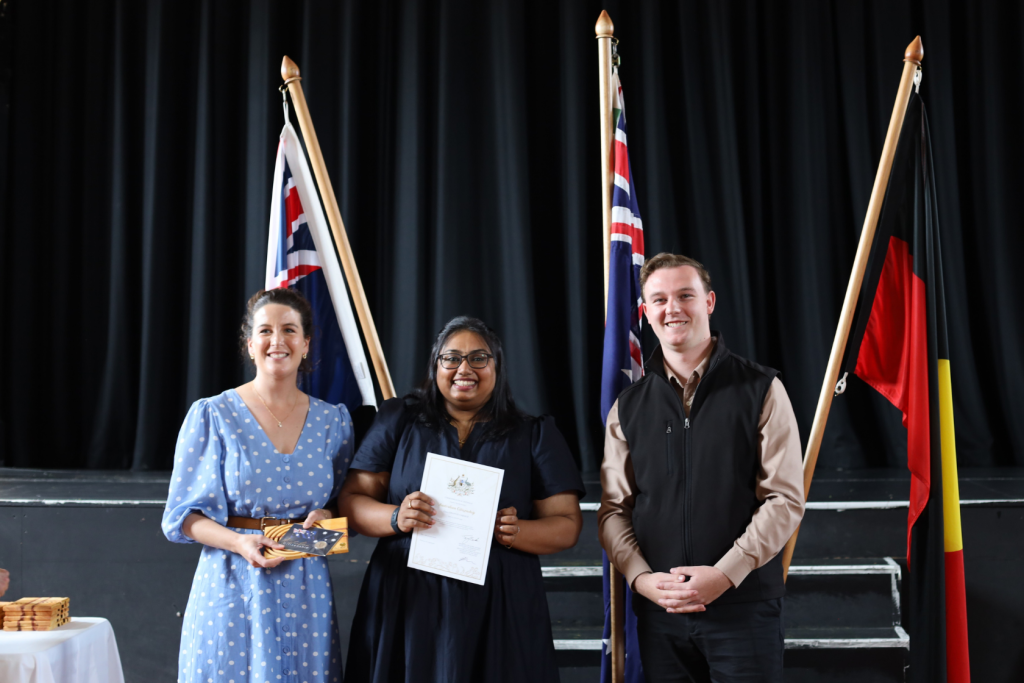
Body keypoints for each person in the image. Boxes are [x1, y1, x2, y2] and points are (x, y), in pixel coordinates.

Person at [340, 316, 585, 683]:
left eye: (478, 358)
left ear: (496, 367)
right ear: (435, 365)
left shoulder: (534, 433)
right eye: (451, 358)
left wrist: (516, 532)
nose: (463, 369)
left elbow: (566, 525)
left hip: (500, 599)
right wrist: (396, 516)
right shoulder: (399, 420)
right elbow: (352, 500)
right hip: (406, 594)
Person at [598, 253, 805, 683]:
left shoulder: (762, 388)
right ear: (645, 312)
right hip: (661, 615)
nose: (672, 308)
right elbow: (614, 510)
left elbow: (784, 500)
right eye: (659, 299)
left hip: (743, 610)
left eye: (685, 295)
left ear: (708, 302)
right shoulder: (629, 406)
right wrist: (641, 580)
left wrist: (727, 573)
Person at [163, 288, 354, 683]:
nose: (278, 340)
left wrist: (327, 515)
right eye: (265, 331)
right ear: (250, 345)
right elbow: (182, 518)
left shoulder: (333, 422)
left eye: (289, 330)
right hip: (233, 581)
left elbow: (340, 501)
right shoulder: (212, 414)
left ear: (306, 343)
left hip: (307, 588)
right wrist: (240, 543)